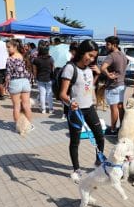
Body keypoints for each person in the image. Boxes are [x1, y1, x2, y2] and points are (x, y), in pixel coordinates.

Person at [60, 39, 105, 183]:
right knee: (75, 141)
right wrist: (70, 102)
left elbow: (88, 87)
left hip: (89, 108)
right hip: (76, 111)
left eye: (94, 57)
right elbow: (62, 94)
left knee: (100, 136)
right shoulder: (70, 68)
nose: (91, 59)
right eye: (89, 55)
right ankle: (76, 169)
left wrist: (97, 75)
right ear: (82, 52)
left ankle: (99, 163)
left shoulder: (89, 69)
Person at [100, 36, 127, 136]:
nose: (106, 46)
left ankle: (112, 129)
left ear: (114, 45)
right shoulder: (123, 55)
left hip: (113, 85)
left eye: (108, 44)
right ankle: (123, 127)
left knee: (114, 108)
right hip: (122, 84)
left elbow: (102, 68)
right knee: (120, 107)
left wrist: (108, 74)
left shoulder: (111, 56)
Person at [4, 39, 33, 129]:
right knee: (26, 105)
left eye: (9, 47)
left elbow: (8, 74)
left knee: (16, 106)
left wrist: (6, 85)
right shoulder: (24, 57)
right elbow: (28, 72)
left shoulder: (10, 59)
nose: (7, 49)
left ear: (15, 47)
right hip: (25, 82)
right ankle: (29, 126)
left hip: (15, 82)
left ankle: (19, 127)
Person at [33, 42, 55, 114]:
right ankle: (51, 109)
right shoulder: (51, 59)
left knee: (42, 94)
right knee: (49, 94)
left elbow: (34, 70)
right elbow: (53, 69)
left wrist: (35, 77)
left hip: (40, 78)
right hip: (49, 78)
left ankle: (43, 109)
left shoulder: (36, 60)